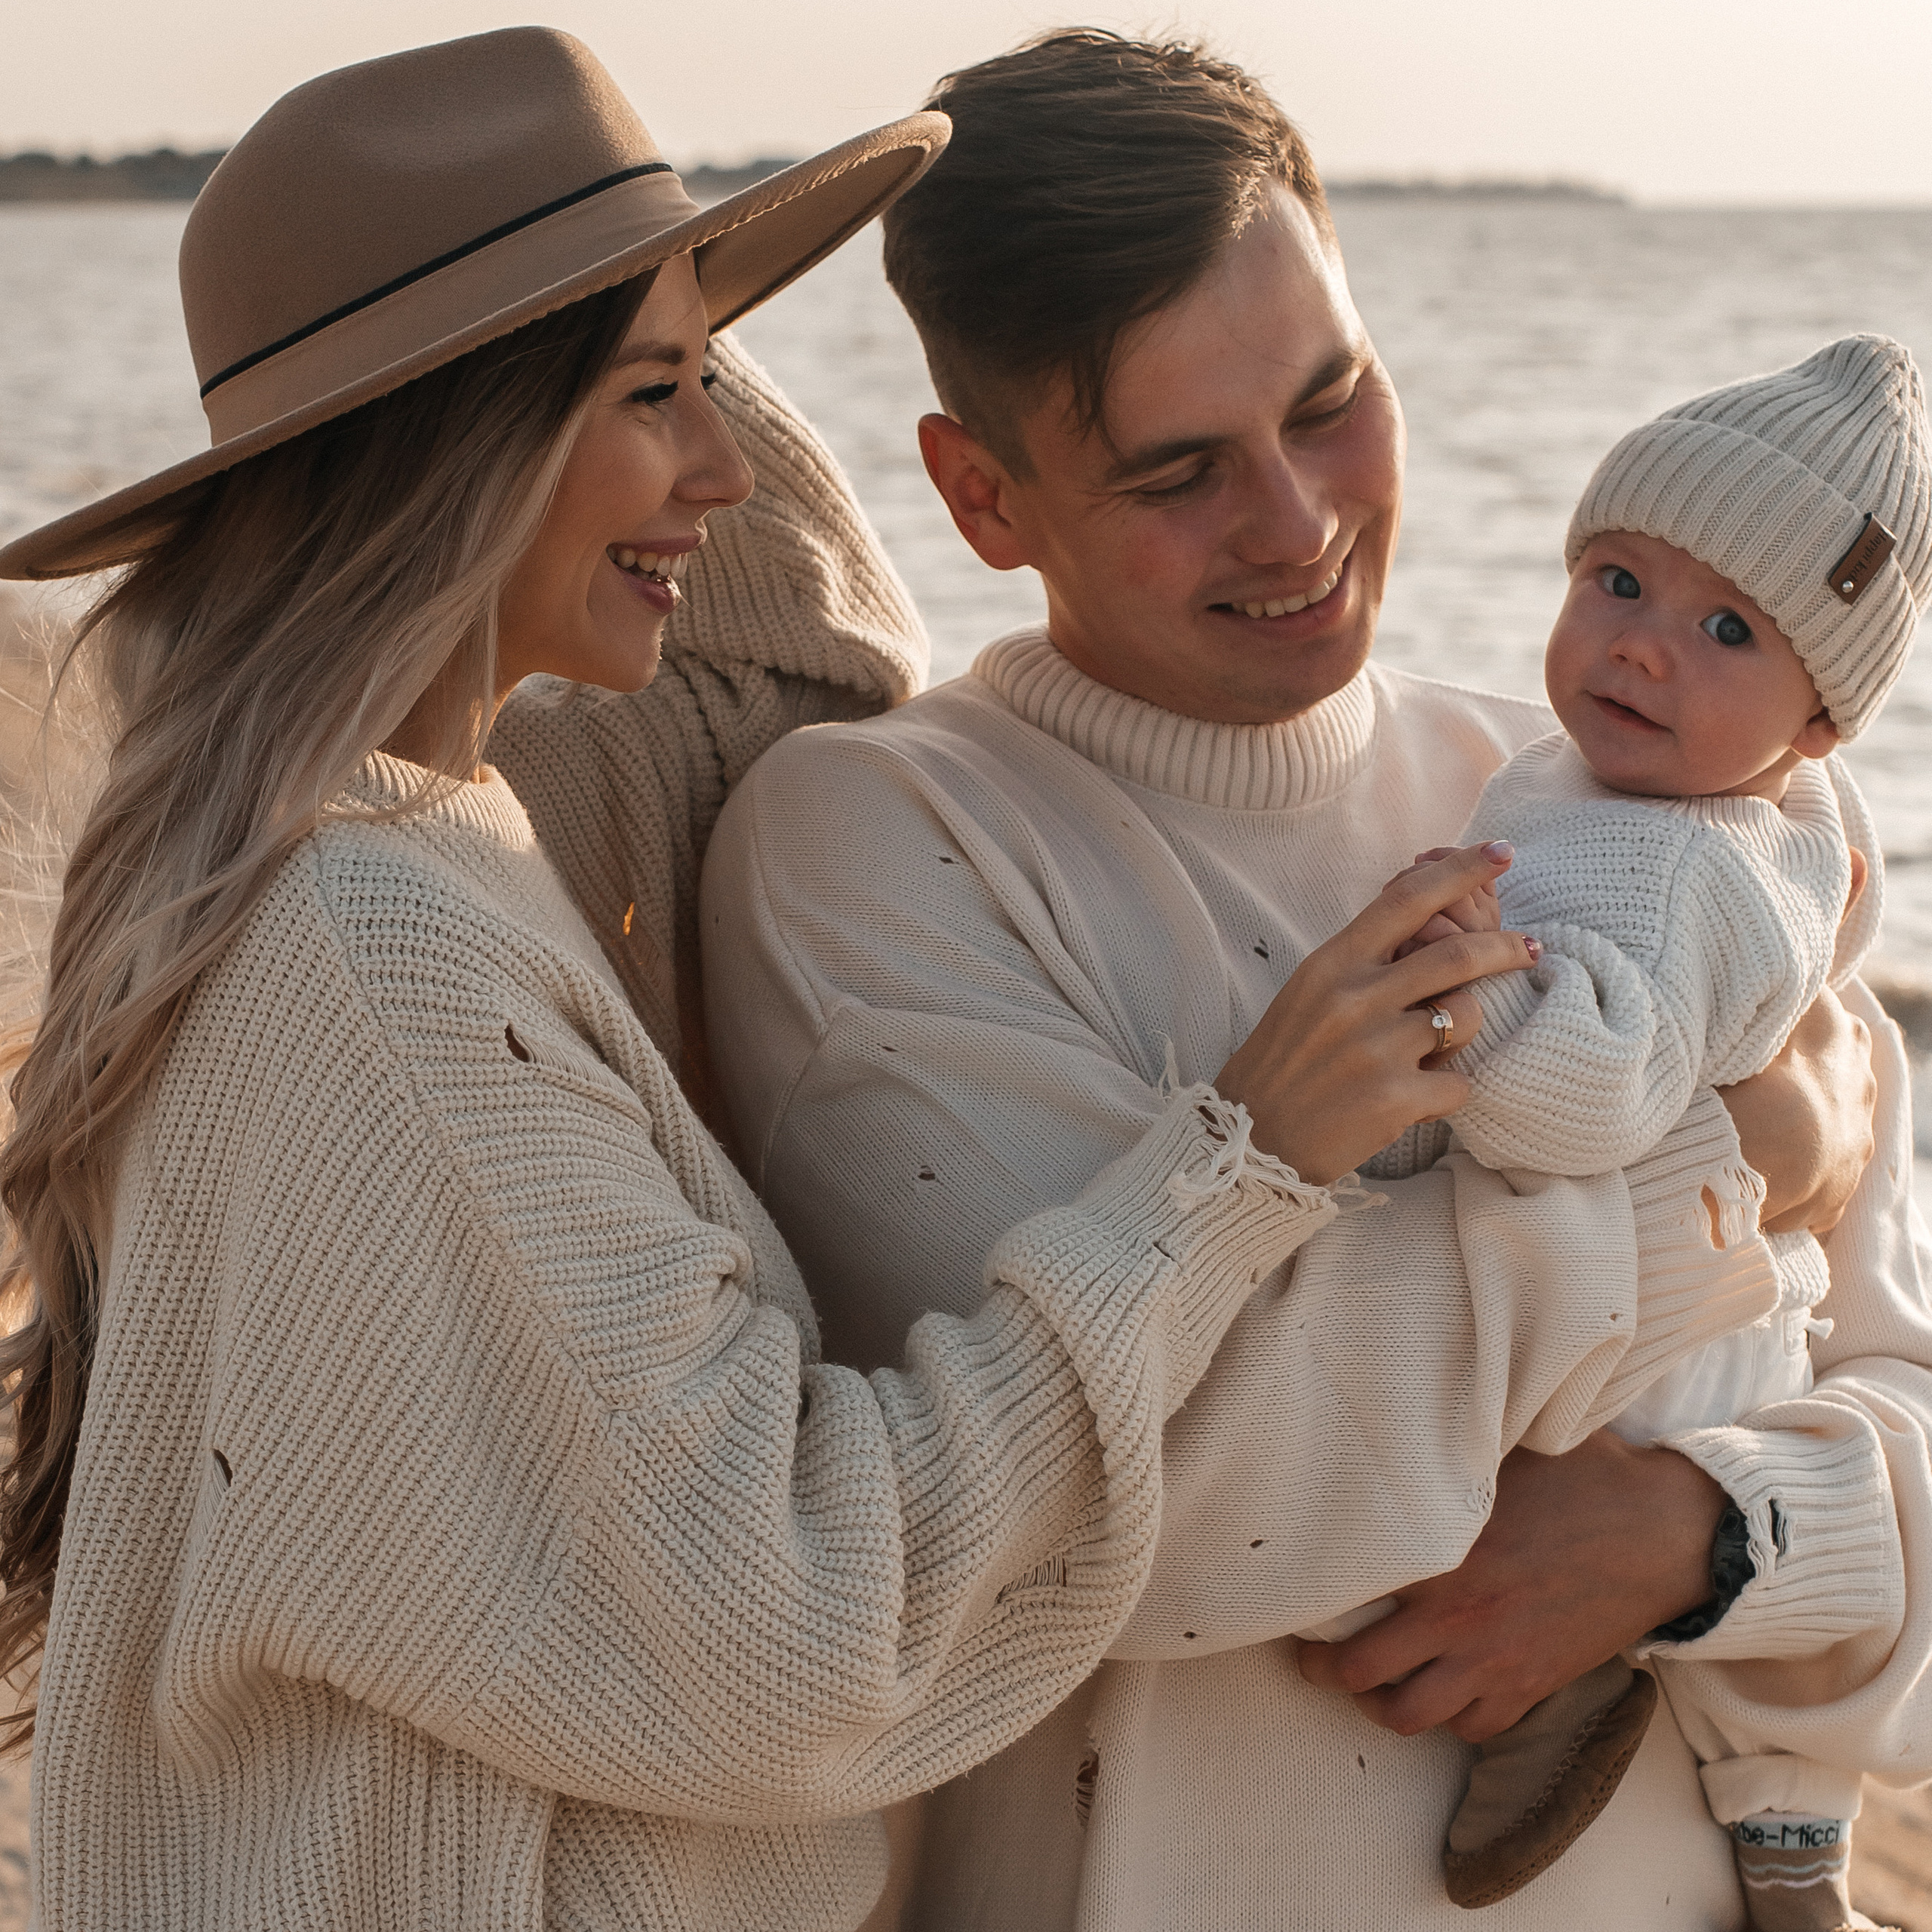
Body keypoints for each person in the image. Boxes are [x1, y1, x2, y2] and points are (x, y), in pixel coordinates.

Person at [0, 30, 1534, 1932]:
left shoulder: (426, 848)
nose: (725, 462)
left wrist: (656, 326)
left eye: (714, 382)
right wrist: (1231, 1166)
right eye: (661, 395)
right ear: (462, 449)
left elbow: (792, 648)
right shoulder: (382, 960)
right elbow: (800, 1614)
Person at [690, 33, 1927, 1930]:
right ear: (979, 493)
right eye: (1179, 467)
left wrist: (1704, 1536)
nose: (1297, 521)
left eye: (1330, 399)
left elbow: (1896, 1442)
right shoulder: (875, 845)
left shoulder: (1632, 800)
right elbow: (1151, 1503)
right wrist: (1728, 1181)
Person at [1340, 336, 1927, 1927]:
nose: (1643, 649)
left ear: (1817, 724)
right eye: (1615, 579)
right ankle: (1792, 1843)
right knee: (1759, 1707)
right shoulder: (1750, 811)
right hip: (1724, 1303)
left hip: (1673, 1353)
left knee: (1608, 1584)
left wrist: (1456, 1009)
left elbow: (1586, 1097)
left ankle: (1700, 1793)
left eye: (1725, 628)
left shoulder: (1667, 858)